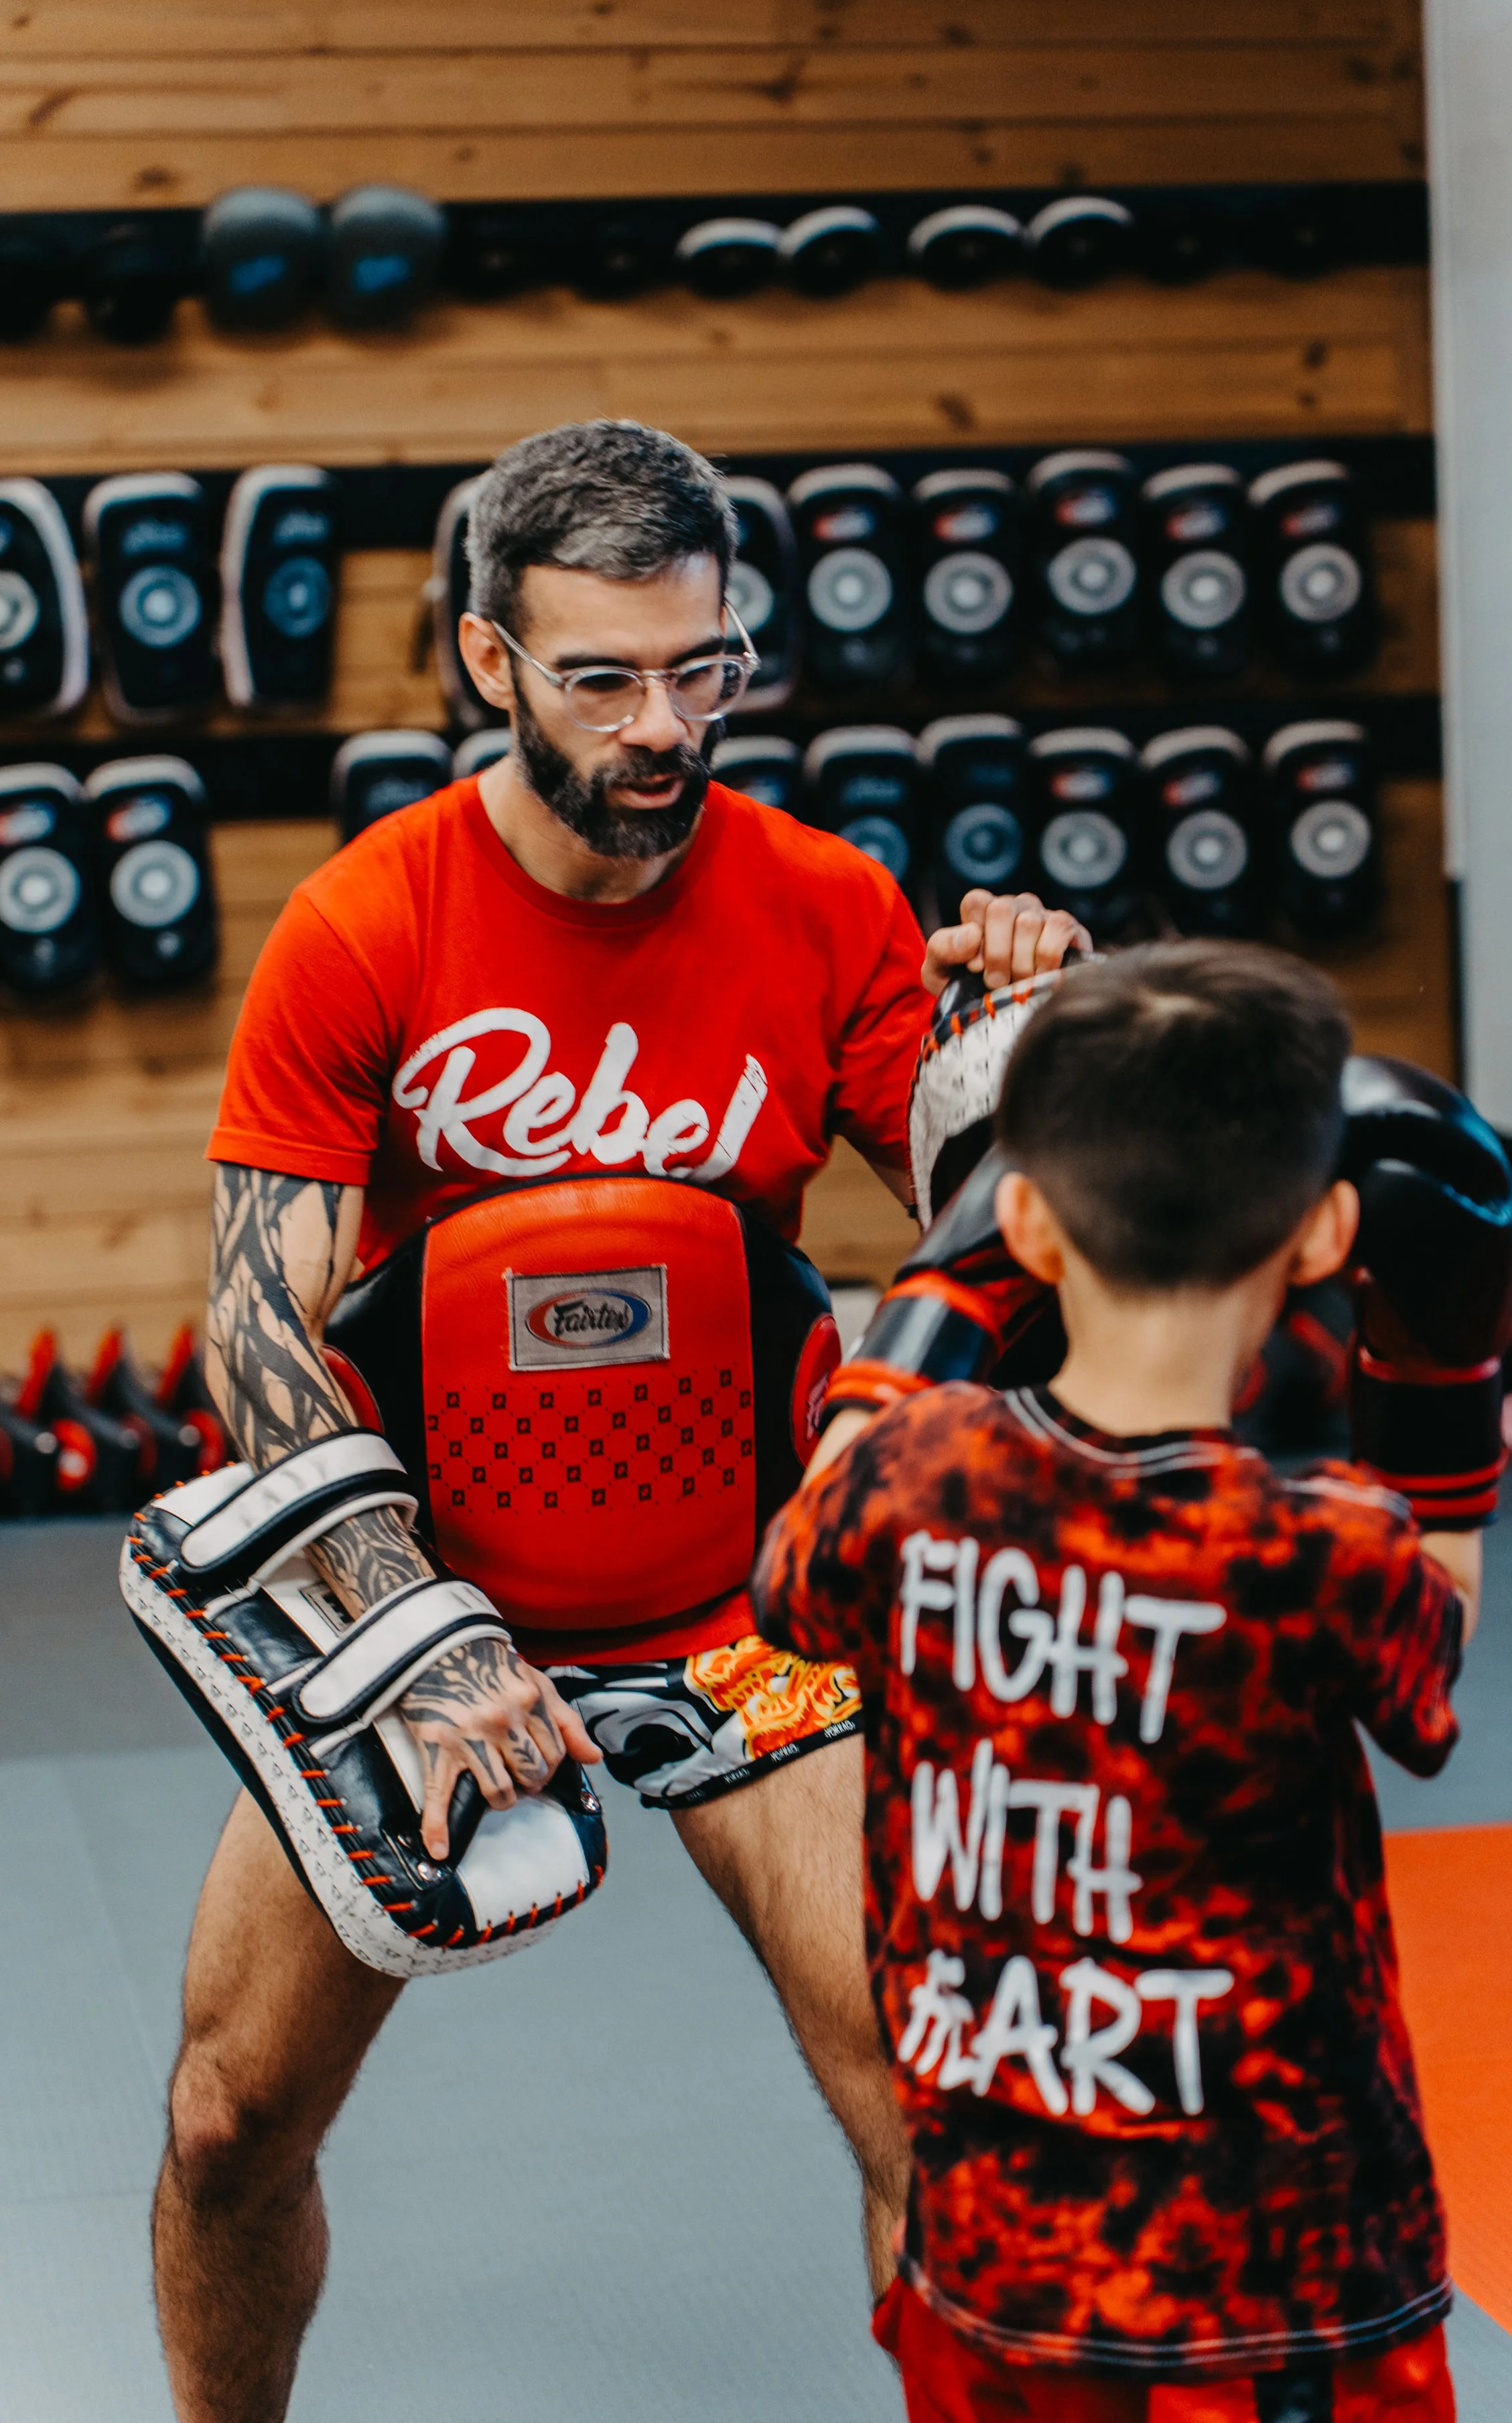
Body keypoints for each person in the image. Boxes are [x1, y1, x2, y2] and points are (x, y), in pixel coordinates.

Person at [156, 417, 1089, 2423]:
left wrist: (1039, 1052)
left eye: (703, 667)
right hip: (436, 1595)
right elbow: (255, 1346)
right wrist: (424, 1633)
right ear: (490, 662)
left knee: (933, 2109)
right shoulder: (366, 922)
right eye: (602, 677)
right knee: (231, 2114)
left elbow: (1020, 1254)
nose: (662, 724)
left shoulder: (827, 903)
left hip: (744, 1598)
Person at [760, 945, 1493, 2423]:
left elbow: (797, 1552)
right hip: (1288, 2300)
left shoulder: (901, 1488)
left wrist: (947, 1272)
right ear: (1322, 1233)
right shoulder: (1315, 1551)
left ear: (1023, 1222)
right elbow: (1435, 1648)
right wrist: (1442, 1377)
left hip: (995, 2269)